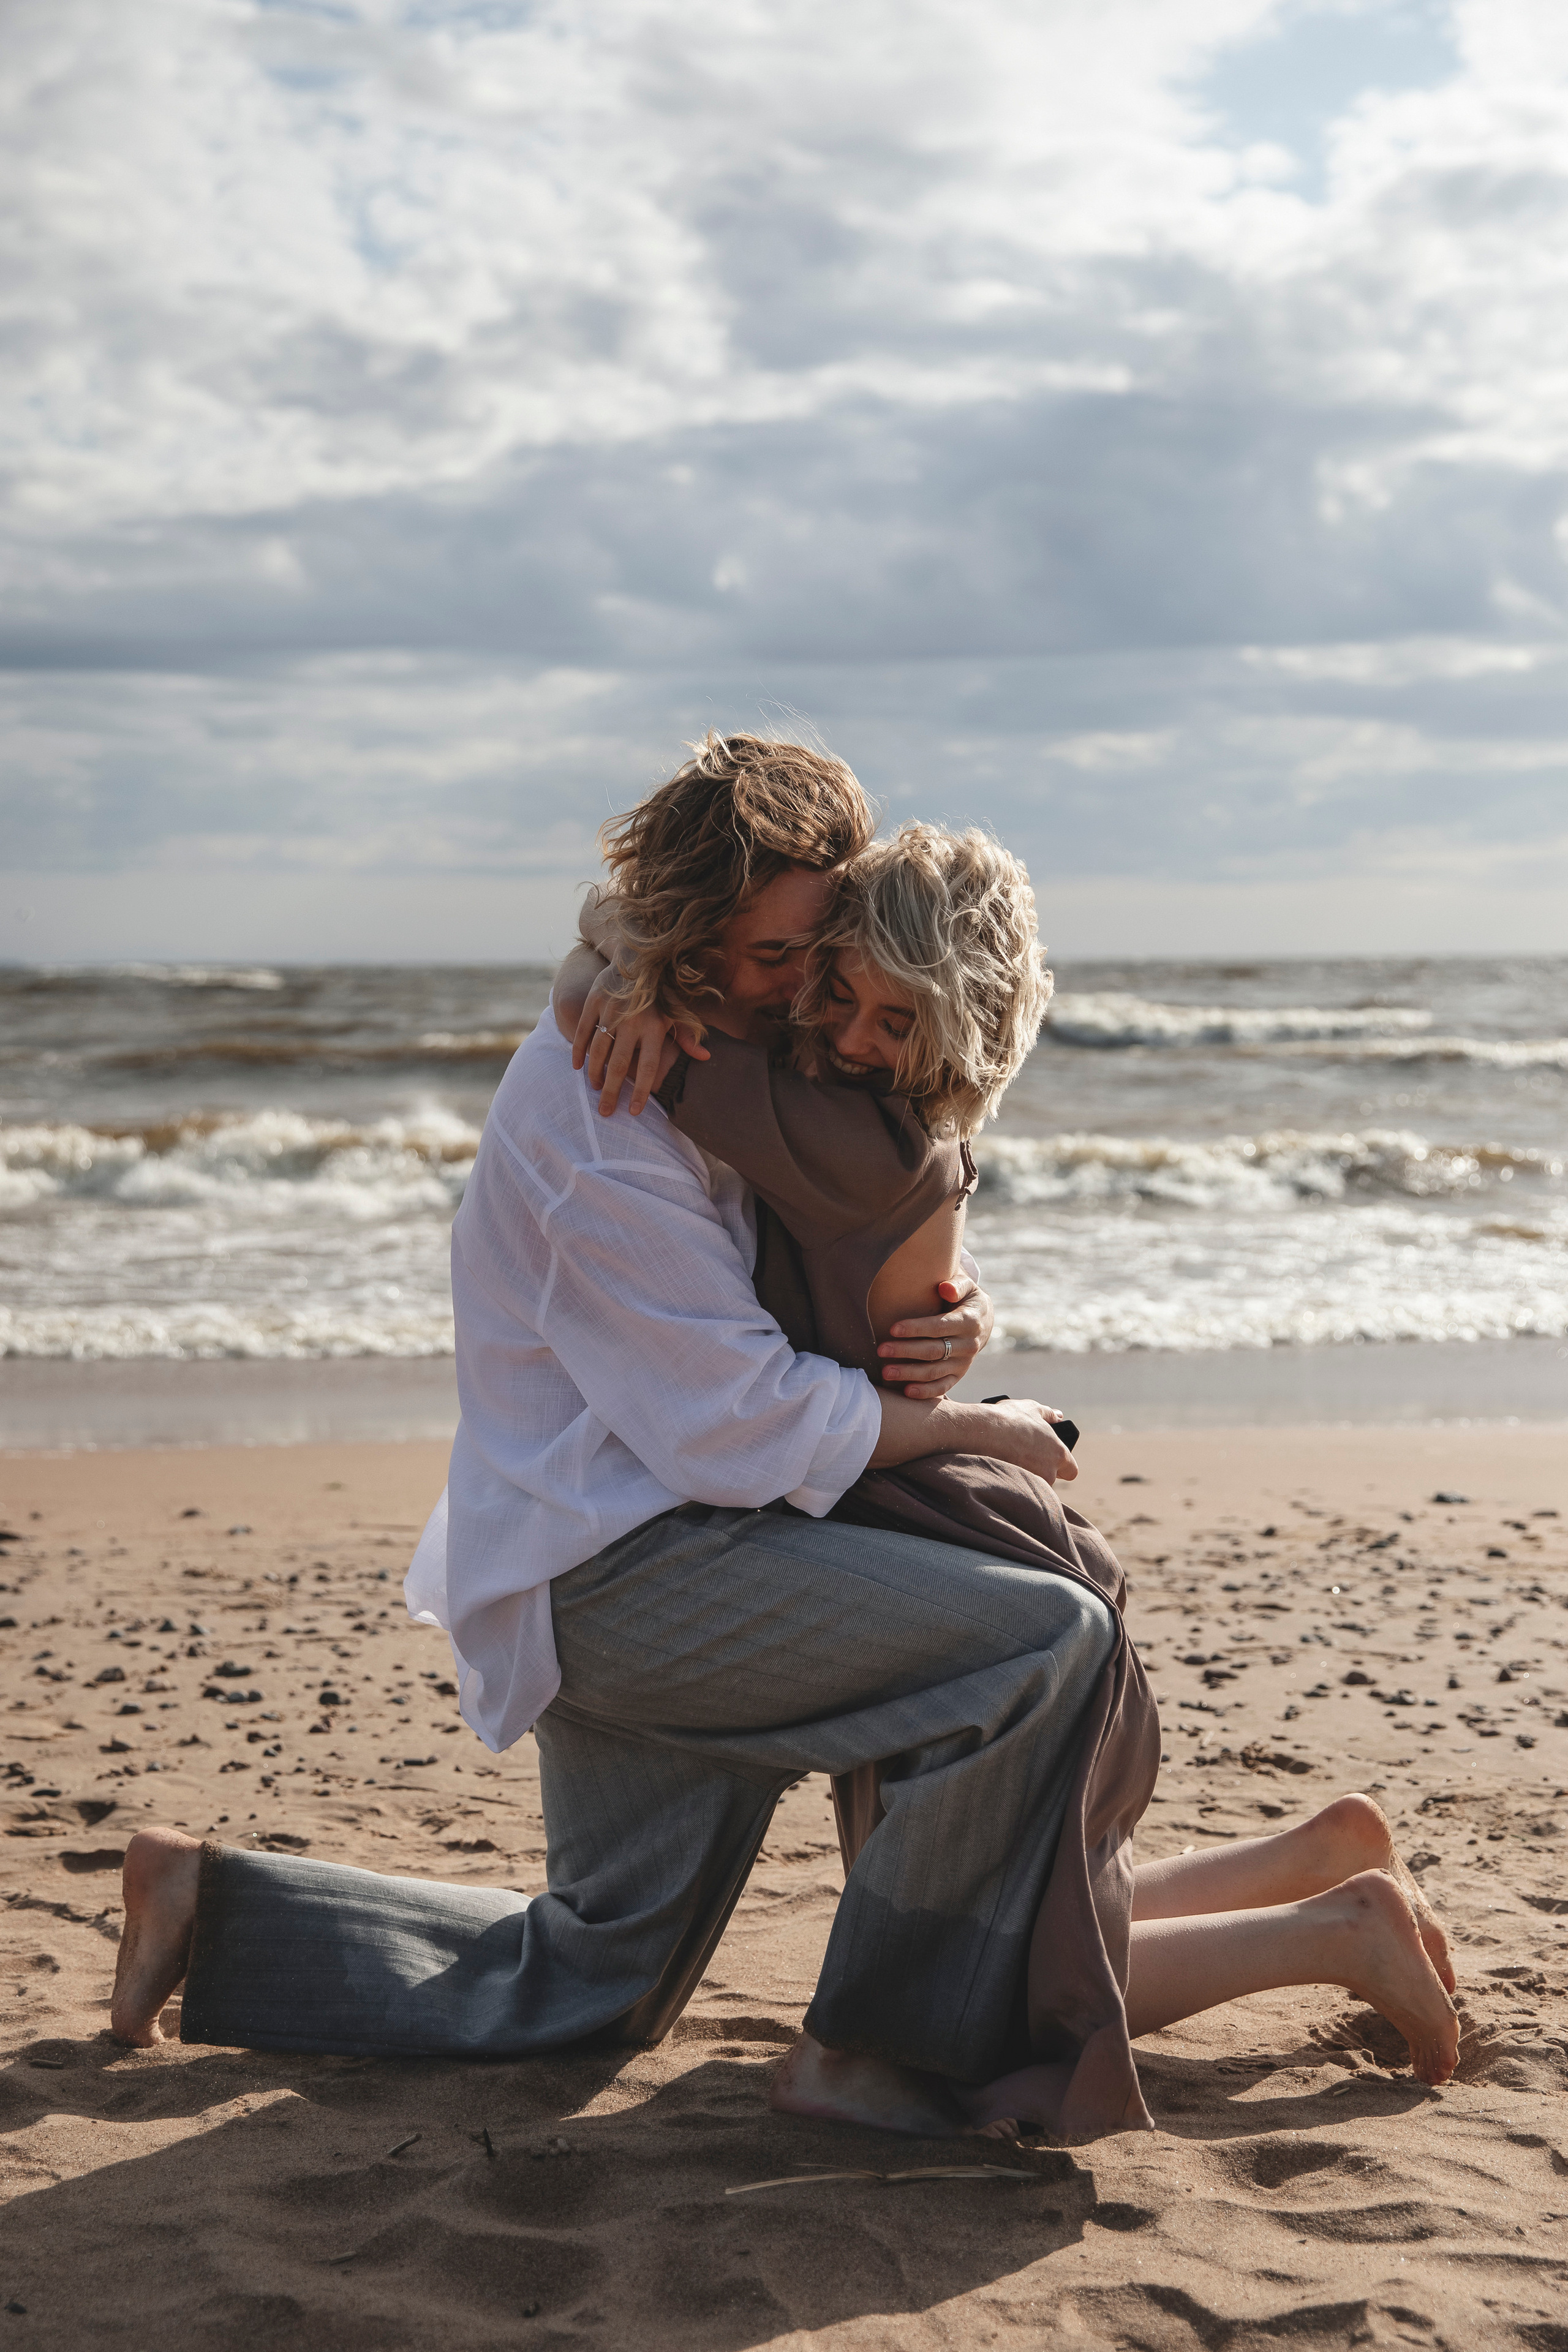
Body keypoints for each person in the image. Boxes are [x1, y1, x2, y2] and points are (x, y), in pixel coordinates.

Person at [110, 734, 1106, 2143]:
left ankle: (207, 1903)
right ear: (691, 938)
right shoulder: (608, 1107)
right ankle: (874, 2051)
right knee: (1040, 1642)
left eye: (818, 949)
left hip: (675, 1536)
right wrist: (976, 1429)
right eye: (772, 957)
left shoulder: (737, 1053)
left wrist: (958, 1309)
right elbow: (734, 1424)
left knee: (588, 1978)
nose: (806, 991)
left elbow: (845, 1245)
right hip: (627, 1565)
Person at [564, 818, 1462, 2127]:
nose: (853, 1037)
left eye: (896, 1020)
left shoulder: (842, 1132)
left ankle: (1333, 1932)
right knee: (984, 1912)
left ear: (960, 1027)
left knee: (976, 1963)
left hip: (905, 1514)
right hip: (917, 1497)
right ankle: (1315, 1865)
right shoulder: (897, 1128)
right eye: (841, 992)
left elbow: (622, 1020)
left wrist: (591, 961)